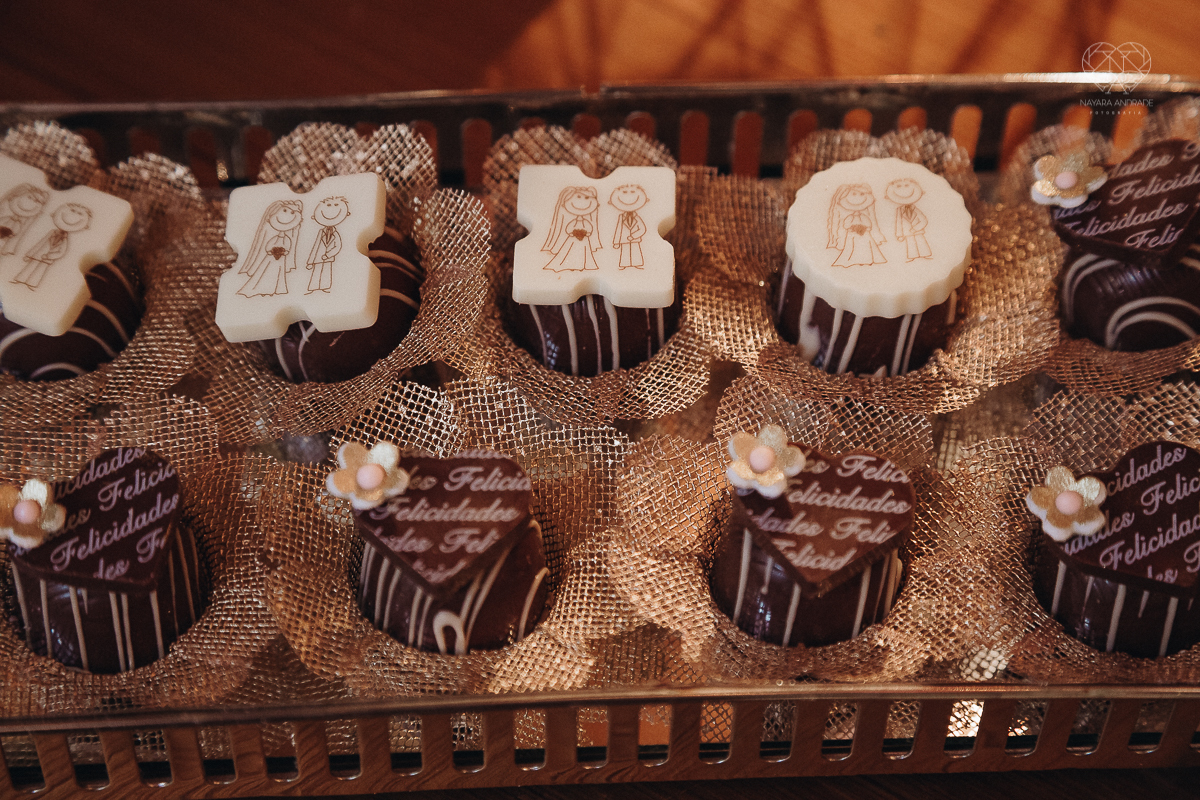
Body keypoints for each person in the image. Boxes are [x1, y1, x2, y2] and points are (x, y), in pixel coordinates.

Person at [11, 203, 91, 289]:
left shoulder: (65, 239)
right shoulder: (52, 232)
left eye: (79, 213)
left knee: (40, 271)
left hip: (47, 259)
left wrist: (50, 256)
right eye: (72, 210)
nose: (74, 215)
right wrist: (29, 254)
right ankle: (19, 279)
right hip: (37, 255)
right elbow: (40, 244)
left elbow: (61, 251)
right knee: (29, 268)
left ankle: (31, 284)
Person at [238, 199, 303, 297]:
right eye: (285, 211)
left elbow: (288, 245)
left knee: (278, 273)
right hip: (270, 257)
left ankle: (274, 289)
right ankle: (263, 288)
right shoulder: (275, 237)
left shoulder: (286, 238)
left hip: (281, 259)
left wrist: (286, 251)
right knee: (265, 271)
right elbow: (269, 244)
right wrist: (269, 251)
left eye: (292, 213)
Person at [541, 186, 601, 272]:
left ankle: (581, 266)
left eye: (587, 198)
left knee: (583, 253)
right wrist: (571, 233)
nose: (582, 201)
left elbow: (589, 228)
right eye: (578, 197)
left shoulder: (586, 222)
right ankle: (572, 265)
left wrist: (587, 233)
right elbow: (569, 228)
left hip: (584, 240)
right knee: (570, 251)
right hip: (573, 239)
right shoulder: (573, 221)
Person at [885, 178, 932, 262]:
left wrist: (916, 228)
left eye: (906, 185)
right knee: (910, 244)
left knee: (921, 242)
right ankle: (912, 257)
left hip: (917, 231)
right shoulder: (899, 210)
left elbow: (923, 220)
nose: (903, 189)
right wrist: (899, 235)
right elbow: (898, 223)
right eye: (898, 186)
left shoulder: (915, 209)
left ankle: (925, 255)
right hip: (907, 232)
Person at [0, 183, 49, 256]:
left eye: (37, 201)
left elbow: (15, 232)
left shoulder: (18, 222)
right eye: (29, 197)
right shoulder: (5, 214)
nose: (31, 203)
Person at [609, 184, 649, 269]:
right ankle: (624, 265)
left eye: (633, 192)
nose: (628, 195)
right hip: (624, 239)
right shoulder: (621, 217)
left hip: (635, 239)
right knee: (625, 253)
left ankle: (637, 264)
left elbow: (642, 229)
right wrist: (616, 242)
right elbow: (618, 230)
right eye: (624, 192)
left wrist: (634, 236)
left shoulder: (637, 217)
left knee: (636, 251)